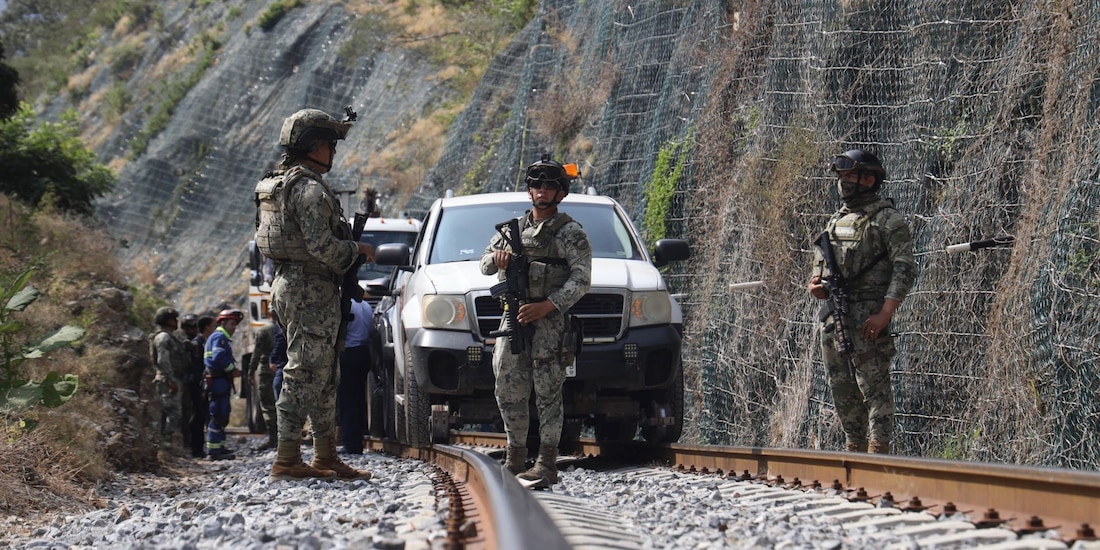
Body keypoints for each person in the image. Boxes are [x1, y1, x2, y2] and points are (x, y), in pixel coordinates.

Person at [253, 107, 374, 481]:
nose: (333, 152)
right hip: (310, 290)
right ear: (311, 146)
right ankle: (287, 458)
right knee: (303, 372)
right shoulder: (307, 189)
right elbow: (324, 248)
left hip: (297, 287)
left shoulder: (279, 183)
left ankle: (325, 456)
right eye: (328, 144)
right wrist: (359, 251)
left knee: (324, 375)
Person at [479, 154, 592, 488]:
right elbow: (485, 265)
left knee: (548, 393)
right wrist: (497, 257)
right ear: (529, 191)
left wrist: (548, 306)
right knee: (508, 388)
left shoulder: (570, 233)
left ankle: (546, 463)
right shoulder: (514, 229)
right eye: (536, 185)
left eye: (549, 186)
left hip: (549, 325)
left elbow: (581, 279)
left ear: (560, 193)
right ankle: (515, 458)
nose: (542, 191)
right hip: (513, 318)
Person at [807, 149, 916, 454]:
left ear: (870, 180)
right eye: (841, 176)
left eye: (851, 176)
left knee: (874, 386)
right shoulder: (836, 219)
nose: (844, 182)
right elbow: (823, 266)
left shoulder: (887, 220)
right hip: (835, 315)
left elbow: (904, 268)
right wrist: (816, 285)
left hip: (869, 316)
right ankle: (854, 447)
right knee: (841, 387)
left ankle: (878, 450)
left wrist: (885, 313)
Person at [149, 307, 191, 461]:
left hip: (172, 379)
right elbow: (162, 360)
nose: (177, 321)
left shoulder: (170, 337)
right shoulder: (163, 338)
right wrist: (171, 380)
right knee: (172, 413)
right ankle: (164, 445)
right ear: (167, 320)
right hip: (167, 380)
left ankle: (166, 445)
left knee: (172, 412)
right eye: (174, 318)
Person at [204, 308, 244, 460]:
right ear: (223, 323)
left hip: (219, 380)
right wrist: (232, 369)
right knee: (218, 414)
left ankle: (219, 447)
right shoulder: (220, 337)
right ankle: (214, 451)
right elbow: (218, 356)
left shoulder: (219, 337)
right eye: (232, 324)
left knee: (222, 414)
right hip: (218, 380)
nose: (234, 328)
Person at [337, 298, 373, 454]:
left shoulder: (344, 305)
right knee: (358, 400)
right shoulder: (365, 305)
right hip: (364, 353)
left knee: (347, 401)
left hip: (348, 353)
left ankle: (351, 443)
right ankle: (357, 440)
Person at [249, 311, 279, 451]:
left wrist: (250, 371)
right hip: (283, 369)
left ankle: (273, 439)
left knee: (268, 406)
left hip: (266, 372)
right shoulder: (286, 329)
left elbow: (256, 354)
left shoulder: (263, 331)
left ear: (268, 315)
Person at [178, 314, 206, 458]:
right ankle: (191, 448)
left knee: (195, 415)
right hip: (186, 384)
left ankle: (193, 447)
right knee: (191, 416)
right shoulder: (185, 344)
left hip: (192, 383)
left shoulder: (192, 343)